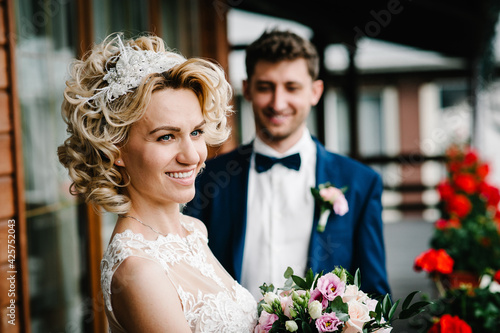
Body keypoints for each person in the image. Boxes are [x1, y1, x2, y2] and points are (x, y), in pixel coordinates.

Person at [57, 33, 257, 332]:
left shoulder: (193, 230)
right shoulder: (139, 272)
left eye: (196, 132)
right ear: (116, 148)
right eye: (166, 137)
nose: (192, 156)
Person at [185, 30, 391, 299]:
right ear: (246, 89)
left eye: (291, 87)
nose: (277, 102)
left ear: (315, 92)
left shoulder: (361, 182)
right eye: (265, 87)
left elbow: (374, 294)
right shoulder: (207, 177)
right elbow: (191, 279)